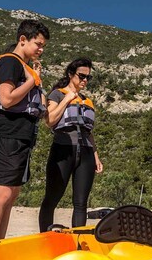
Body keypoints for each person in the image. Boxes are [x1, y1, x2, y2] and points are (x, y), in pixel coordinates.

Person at [0, 20, 49, 242]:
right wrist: (32, 81)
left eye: (43, 45)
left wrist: (35, 80)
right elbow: (7, 99)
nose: (41, 49)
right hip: (8, 131)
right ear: (22, 40)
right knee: (0, 194)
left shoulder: (25, 68)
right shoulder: (10, 62)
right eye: (38, 44)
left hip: (21, 134)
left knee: (11, 194)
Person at [38, 58, 104, 231]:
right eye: (81, 76)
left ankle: (78, 241)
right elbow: (50, 120)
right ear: (70, 74)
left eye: (88, 78)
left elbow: (88, 132)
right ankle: (45, 237)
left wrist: (96, 156)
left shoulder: (88, 101)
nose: (84, 81)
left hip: (86, 153)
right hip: (63, 149)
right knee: (52, 198)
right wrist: (67, 99)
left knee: (81, 203)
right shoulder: (57, 94)